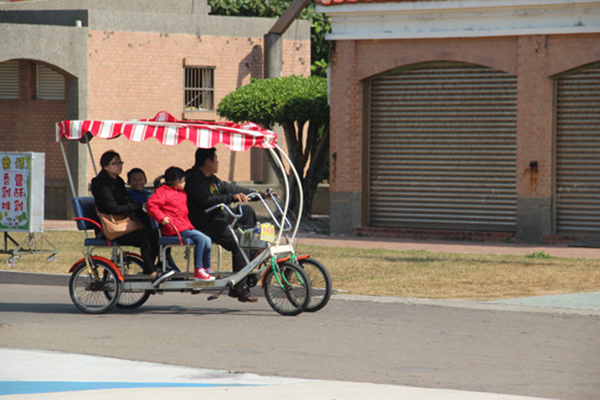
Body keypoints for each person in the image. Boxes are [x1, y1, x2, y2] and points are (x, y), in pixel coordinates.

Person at [185, 147, 263, 302]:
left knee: (246, 211)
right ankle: (238, 287)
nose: (218, 161)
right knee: (239, 241)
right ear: (208, 162)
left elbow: (233, 188)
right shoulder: (194, 178)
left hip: (220, 218)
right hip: (204, 223)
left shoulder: (212, 179)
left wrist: (260, 195)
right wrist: (231, 198)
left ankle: (252, 252)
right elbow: (206, 200)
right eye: (216, 158)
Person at [91, 150, 174, 288]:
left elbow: (124, 205)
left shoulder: (118, 181)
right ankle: (152, 274)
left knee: (155, 234)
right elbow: (112, 208)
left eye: (120, 162)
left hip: (123, 222)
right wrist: (137, 206)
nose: (119, 165)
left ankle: (152, 269)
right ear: (105, 166)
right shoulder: (100, 183)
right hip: (110, 226)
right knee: (145, 237)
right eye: (115, 163)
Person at [146, 167, 215, 282]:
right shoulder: (162, 192)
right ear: (177, 182)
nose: (185, 183)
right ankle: (198, 269)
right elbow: (150, 205)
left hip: (183, 226)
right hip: (173, 228)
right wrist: (161, 218)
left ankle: (206, 268)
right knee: (201, 240)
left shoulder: (181, 193)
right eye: (184, 181)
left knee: (207, 239)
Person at [127, 167, 179, 272]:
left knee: (167, 232)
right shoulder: (130, 195)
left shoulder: (147, 193)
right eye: (134, 179)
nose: (138, 182)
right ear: (128, 182)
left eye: (141, 179)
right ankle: (163, 262)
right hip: (144, 223)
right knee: (157, 236)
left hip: (153, 221)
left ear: (146, 181)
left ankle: (164, 260)